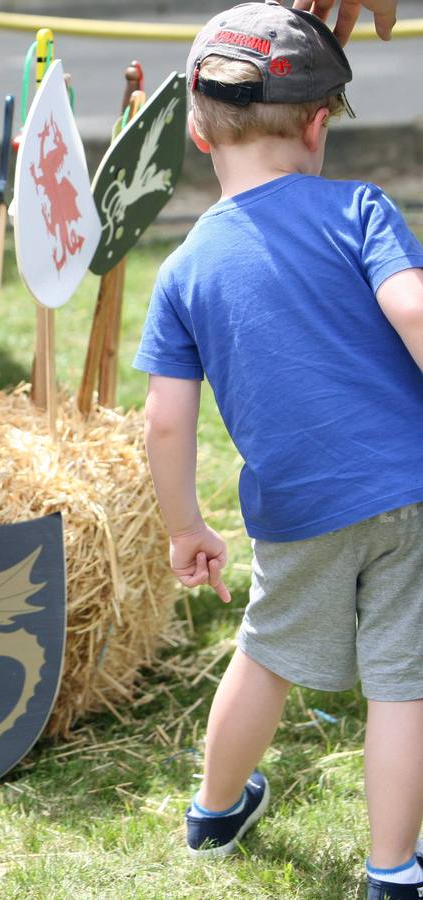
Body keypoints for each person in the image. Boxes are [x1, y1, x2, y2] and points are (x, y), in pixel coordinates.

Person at [132, 3, 423, 897]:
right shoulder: (360, 208)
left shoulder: (182, 269)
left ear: (195, 126)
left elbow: (166, 423)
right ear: (318, 120)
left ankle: (216, 809)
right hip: (410, 492)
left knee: (265, 653)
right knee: (403, 682)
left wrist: (187, 524)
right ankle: (392, 868)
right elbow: (412, 310)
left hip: (297, 511)